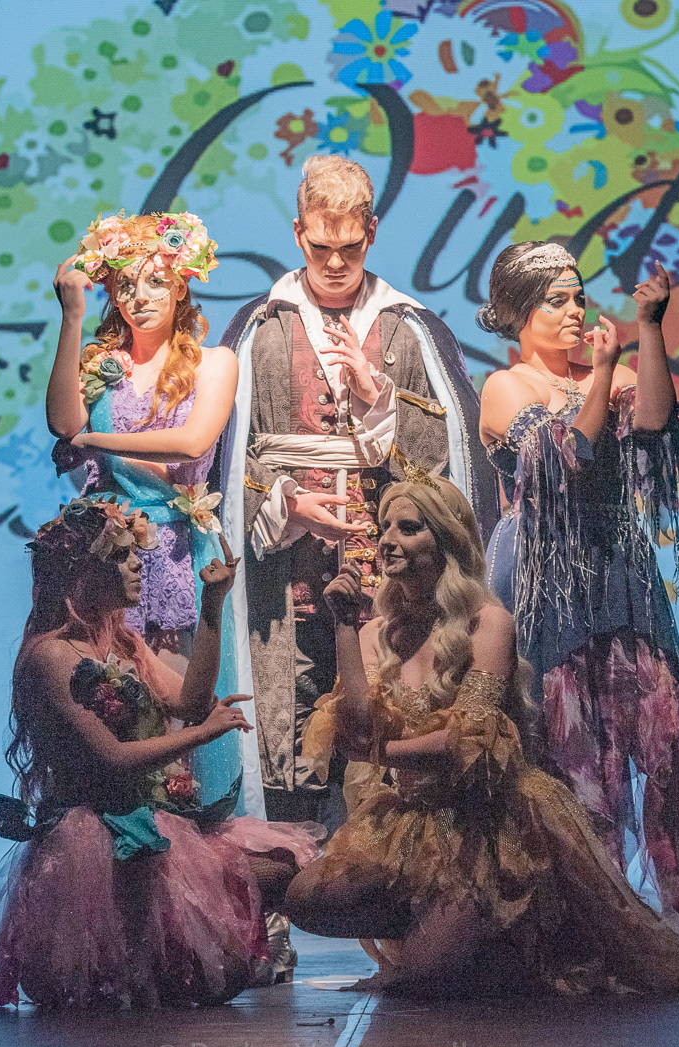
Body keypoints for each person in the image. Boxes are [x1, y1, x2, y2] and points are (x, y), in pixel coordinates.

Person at [281, 476, 679, 996]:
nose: (387, 540)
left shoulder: (488, 623)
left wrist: (380, 750)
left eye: (407, 528)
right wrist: (344, 626)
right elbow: (357, 726)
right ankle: (441, 927)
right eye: (384, 527)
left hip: (484, 822)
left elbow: (469, 743)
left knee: (422, 976)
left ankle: (487, 938)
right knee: (307, 900)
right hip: (411, 817)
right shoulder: (374, 633)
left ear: (447, 540)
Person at [213, 155, 500, 829]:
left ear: (372, 232)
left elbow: (449, 460)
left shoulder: (409, 329)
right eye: (320, 248)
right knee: (288, 731)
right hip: (284, 573)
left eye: (350, 247)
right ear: (297, 233)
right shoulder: (262, 329)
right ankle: (284, 881)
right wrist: (285, 504)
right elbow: (226, 460)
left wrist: (380, 400)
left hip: (391, 582)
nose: (336, 263)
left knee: (387, 731)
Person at [475, 241, 679, 961]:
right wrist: (598, 378)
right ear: (519, 312)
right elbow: (570, 456)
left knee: (669, 740)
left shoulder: (614, 374)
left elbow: (654, 430)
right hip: (549, 581)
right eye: (555, 300)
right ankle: (601, 923)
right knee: (575, 755)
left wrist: (650, 328)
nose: (574, 311)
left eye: (578, 298)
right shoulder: (506, 387)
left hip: (622, 576)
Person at [0, 498, 320, 1009]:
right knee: (183, 979)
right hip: (94, 834)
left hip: (151, 817)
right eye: (120, 556)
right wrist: (202, 734)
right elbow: (110, 759)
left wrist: (213, 604)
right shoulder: (50, 657)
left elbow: (191, 702)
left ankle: (156, 962)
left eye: (135, 553)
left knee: (282, 868)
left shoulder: (124, 643)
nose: (137, 565)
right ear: (81, 574)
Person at [46, 211, 236, 669]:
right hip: (105, 550)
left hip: (175, 547)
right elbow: (63, 424)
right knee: (106, 688)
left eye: (156, 282)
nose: (140, 297)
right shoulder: (103, 366)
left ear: (181, 287)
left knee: (173, 692)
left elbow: (192, 443)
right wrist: (72, 316)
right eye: (126, 286)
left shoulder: (214, 363)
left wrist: (96, 441)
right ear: (113, 296)